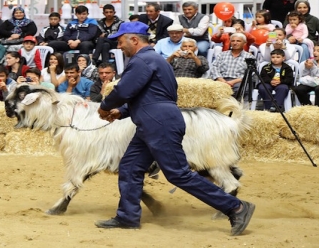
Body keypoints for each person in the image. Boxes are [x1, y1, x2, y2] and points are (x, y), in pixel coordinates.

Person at [95, 21, 255, 234]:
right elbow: (153, 96)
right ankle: (127, 216)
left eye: (121, 41)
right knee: (130, 167)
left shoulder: (142, 60)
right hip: (154, 121)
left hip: (157, 123)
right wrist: (122, 112)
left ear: (134, 40)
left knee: (178, 174)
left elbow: (124, 91)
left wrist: (105, 107)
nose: (119, 46)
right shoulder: (157, 61)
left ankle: (236, 207)